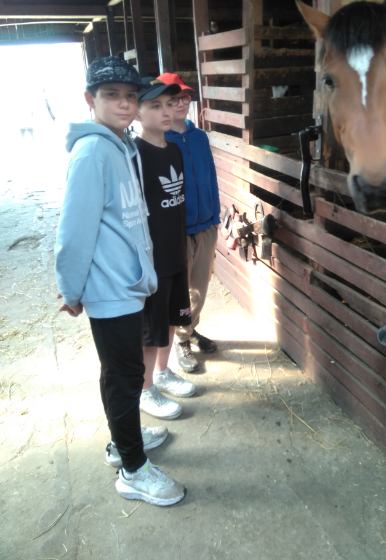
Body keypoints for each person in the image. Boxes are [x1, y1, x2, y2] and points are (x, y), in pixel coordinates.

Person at [54, 56, 185, 507]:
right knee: (124, 375)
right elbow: (74, 233)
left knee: (123, 373)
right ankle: (133, 468)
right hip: (109, 289)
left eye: (130, 96)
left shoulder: (120, 145)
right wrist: (71, 290)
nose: (124, 104)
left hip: (128, 284)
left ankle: (123, 440)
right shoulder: (92, 153)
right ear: (90, 100)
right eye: (112, 95)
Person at [134, 78, 197, 419]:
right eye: (155, 106)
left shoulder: (173, 150)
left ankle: (162, 371)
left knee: (173, 316)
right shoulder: (135, 155)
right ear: (138, 113)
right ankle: (145, 390)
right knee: (151, 327)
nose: (166, 112)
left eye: (169, 105)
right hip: (151, 255)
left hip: (175, 248)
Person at [157, 72, 221, 373]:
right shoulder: (159, 141)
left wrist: (215, 217)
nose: (181, 103)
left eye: (184, 97)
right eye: (173, 99)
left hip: (206, 225)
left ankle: (188, 330)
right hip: (177, 231)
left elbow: (210, 177)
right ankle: (181, 341)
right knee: (179, 291)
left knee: (199, 288)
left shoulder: (199, 137)